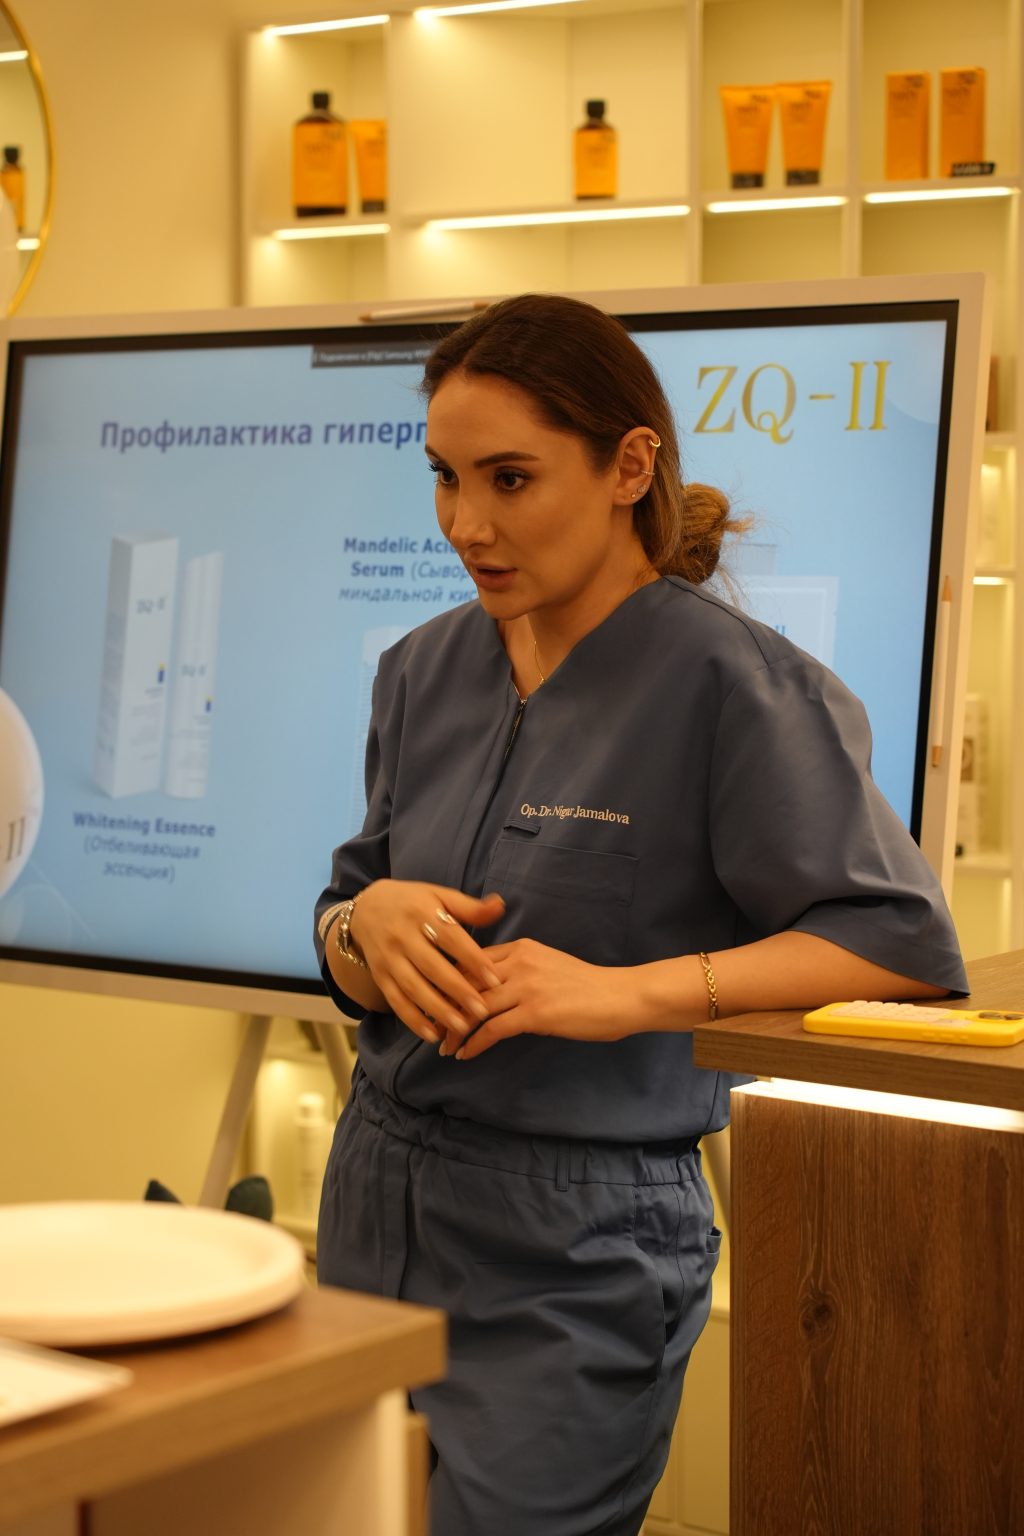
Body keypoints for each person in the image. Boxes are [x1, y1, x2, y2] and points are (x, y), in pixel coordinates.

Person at [313, 292, 967, 1536]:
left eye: (510, 479)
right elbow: (343, 918)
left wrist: (627, 996)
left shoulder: (738, 688)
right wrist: (363, 928)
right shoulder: (421, 669)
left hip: (576, 1241)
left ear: (628, 466)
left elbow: (895, 944)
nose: (466, 524)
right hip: (370, 1196)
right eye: (445, 477)